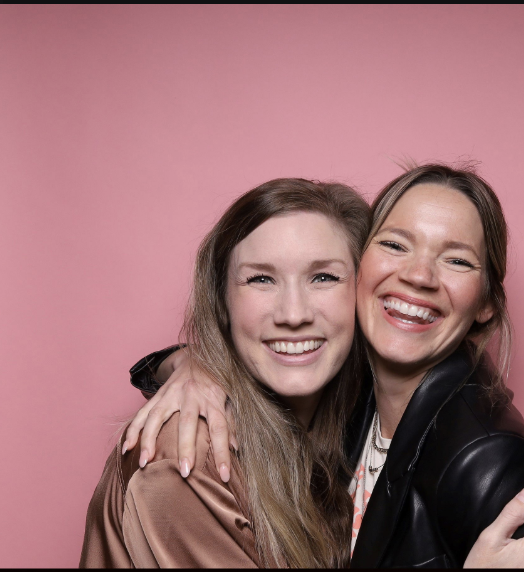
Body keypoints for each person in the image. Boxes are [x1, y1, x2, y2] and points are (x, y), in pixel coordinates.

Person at [122, 164, 524, 568]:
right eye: (395, 245)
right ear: (364, 269)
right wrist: (193, 366)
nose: (418, 276)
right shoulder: (347, 395)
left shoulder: (490, 460)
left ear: (487, 303)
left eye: (456, 260)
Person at [81, 179, 370, 567]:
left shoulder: (353, 424)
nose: (294, 314)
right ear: (222, 304)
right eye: (261, 279)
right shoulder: (190, 457)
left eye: (323, 277)